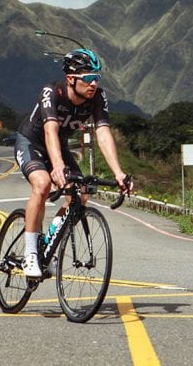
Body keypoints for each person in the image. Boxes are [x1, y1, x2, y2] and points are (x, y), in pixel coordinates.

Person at [14, 48, 133, 278]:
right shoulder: (52, 92)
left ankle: (49, 244)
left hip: (59, 145)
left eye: (97, 78)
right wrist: (57, 166)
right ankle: (30, 253)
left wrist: (119, 173)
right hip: (31, 142)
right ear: (71, 78)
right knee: (42, 184)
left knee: (81, 194)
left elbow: (103, 133)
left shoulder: (97, 97)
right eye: (88, 78)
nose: (93, 84)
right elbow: (50, 130)